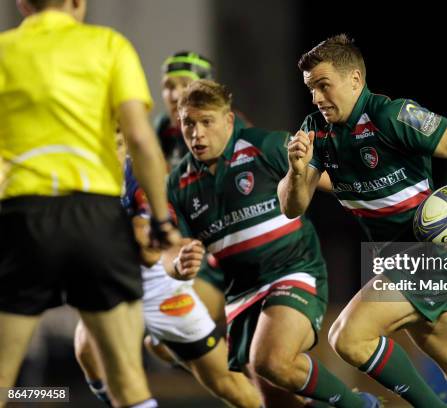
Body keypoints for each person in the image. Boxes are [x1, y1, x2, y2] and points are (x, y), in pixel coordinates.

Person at [278, 34, 447, 407]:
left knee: (348, 336)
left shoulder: (392, 115)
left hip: (427, 255)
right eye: (311, 88)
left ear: (355, 79)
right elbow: (292, 207)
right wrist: (297, 172)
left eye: (324, 85)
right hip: (395, 260)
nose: (316, 97)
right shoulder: (316, 132)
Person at [0, 1, 179, 407]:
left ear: (22, 4)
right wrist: (162, 219)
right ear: (79, 3)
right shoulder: (109, 45)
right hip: (95, 218)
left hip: (23, 217)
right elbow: (140, 138)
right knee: (129, 384)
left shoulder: (4, 50)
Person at [168, 79, 379, 407]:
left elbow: (336, 182)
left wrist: (393, 203)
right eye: (188, 124)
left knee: (271, 360)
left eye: (206, 122)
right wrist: (179, 265)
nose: (196, 133)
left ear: (228, 120)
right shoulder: (178, 184)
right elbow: (170, 247)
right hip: (241, 294)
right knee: (276, 400)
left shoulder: (264, 146)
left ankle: (358, 406)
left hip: (293, 271)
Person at [73, 132, 262, 408]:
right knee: (87, 352)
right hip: (109, 287)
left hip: (157, 288)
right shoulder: (73, 179)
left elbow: (149, 254)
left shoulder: (142, 176)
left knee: (228, 384)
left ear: (126, 145)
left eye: (116, 145)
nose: (109, 154)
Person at [157, 51, 252, 169]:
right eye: (169, 86)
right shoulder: (163, 127)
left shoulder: (232, 126)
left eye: (186, 85)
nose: (175, 96)